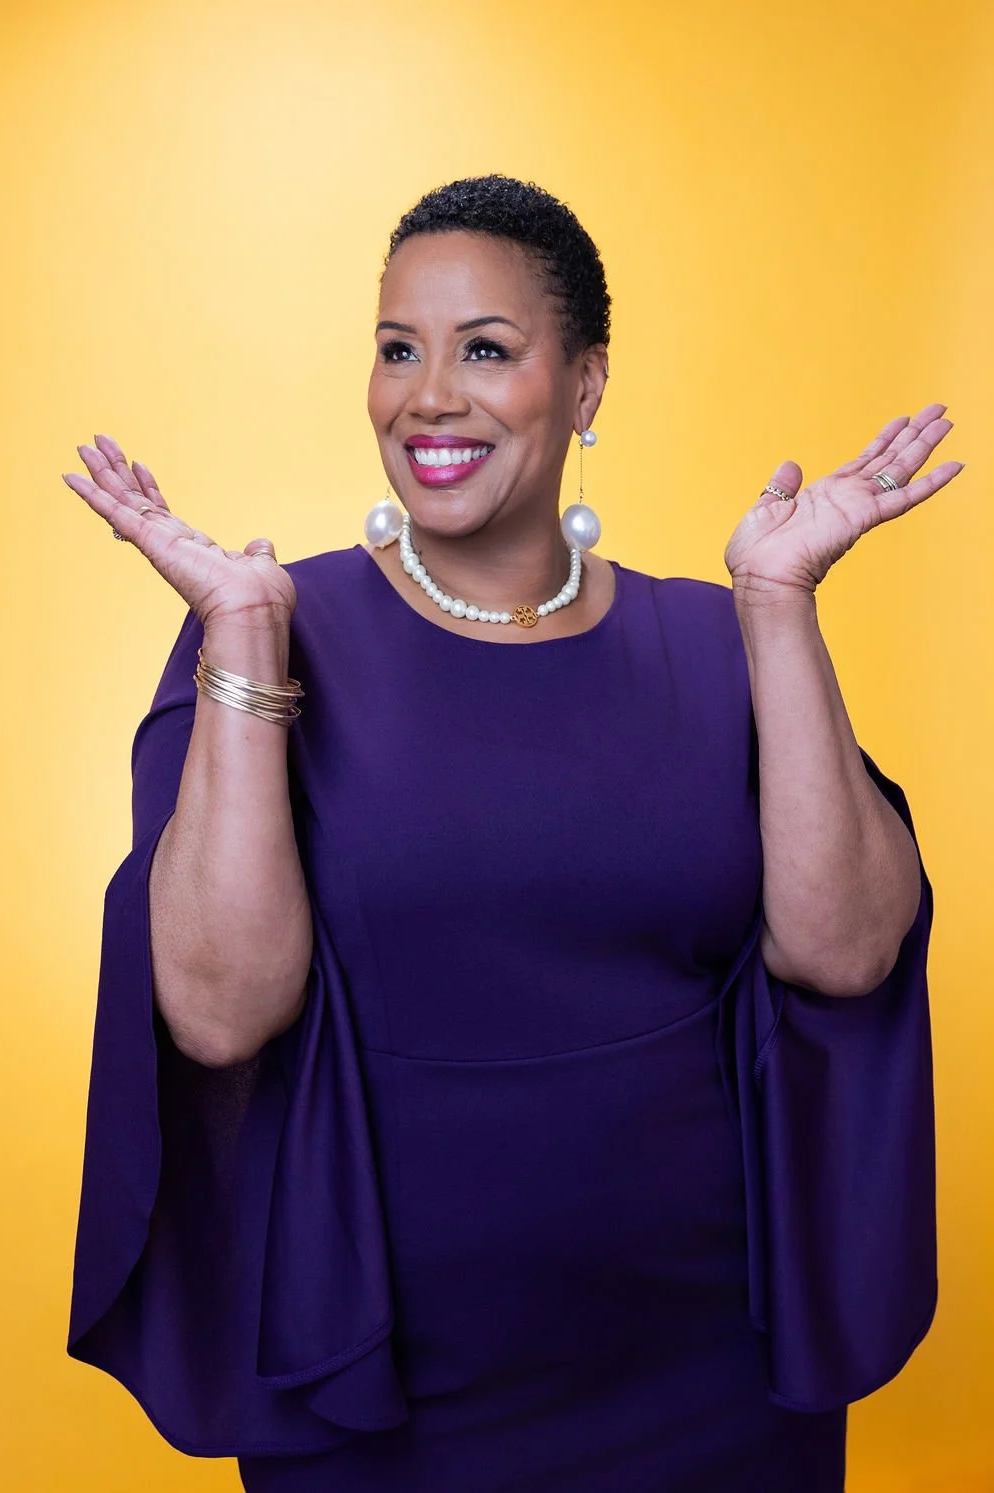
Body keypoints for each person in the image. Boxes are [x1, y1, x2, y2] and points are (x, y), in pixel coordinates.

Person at [64, 176, 958, 1493]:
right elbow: (217, 1012)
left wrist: (777, 602)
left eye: (486, 348)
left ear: (586, 385)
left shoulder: (716, 643)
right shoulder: (270, 627)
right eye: (397, 350)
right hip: (378, 1385)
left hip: (708, 1369)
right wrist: (241, 640)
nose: (430, 394)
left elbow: (845, 952)